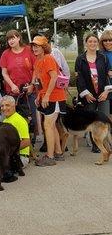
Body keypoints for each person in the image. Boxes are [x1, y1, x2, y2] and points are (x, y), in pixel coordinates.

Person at [31, 36, 66, 166]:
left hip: (55, 97)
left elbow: (54, 77)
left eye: (38, 46)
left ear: (44, 47)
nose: (35, 48)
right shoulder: (38, 60)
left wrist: (47, 96)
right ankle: (58, 152)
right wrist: (39, 95)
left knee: (48, 125)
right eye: (33, 46)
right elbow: (40, 82)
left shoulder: (48, 59)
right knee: (51, 125)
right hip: (46, 96)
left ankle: (50, 157)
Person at [0, 29, 37, 134]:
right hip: (13, 92)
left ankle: (31, 140)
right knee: (14, 117)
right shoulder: (6, 54)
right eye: (8, 39)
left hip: (29, 90)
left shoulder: (29, 50)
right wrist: (12, 85)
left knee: (32, 117)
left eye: (13, 38)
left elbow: (35, 69)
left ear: (19, 38)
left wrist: (32, 85)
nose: (11, 41)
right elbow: (4, 73)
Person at [75, 33, 111, 144]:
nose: (92, 44)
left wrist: (107, 91)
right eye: (90, 41)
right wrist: (85, 93)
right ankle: (94, 144)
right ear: (86, 43)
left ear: (97, 43)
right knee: (91, 121)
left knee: (104, 119)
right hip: (89, 95)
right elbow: (79, 78)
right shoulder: (80, 59)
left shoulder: (103, 57)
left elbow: (108, 76)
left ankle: (105, 143)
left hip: (103, 94)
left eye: (95, 41)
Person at [0, 95, 32, 168]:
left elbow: (27, 142)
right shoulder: (5, 120)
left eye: (7, 105)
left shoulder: (19, 120)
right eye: (2, 106)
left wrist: (8, 151)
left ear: (14, 106)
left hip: (20, 157)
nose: (4, 108)